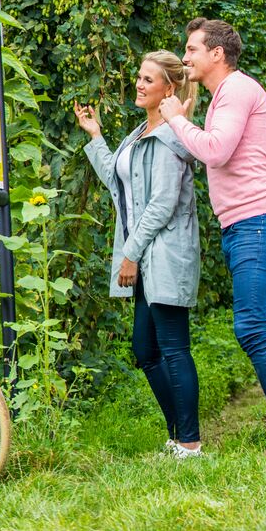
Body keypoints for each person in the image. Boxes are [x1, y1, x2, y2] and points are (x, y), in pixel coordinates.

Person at [159, 18, 266, 454]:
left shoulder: (236, 90)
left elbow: (216, 150)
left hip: (254, 220)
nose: (185, 57)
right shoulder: (227, 95)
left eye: (191, 49)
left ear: (216, 53)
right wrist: (183, 123)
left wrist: (175, 119)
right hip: (254, 221)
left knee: (251, 328)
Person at [75, 51, 205, 458]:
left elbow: (162, 204)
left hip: (164, 254)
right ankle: (179, 434)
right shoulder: (139, 134)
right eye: (139, 77)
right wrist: (96, 136)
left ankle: (190, 442)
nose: (139, 84)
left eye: (149, 79)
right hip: (147, 255)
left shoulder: (169, 138)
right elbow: (119, 181)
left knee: (173, 347)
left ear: (169, 89)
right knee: (146, 349)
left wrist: (129, 255)